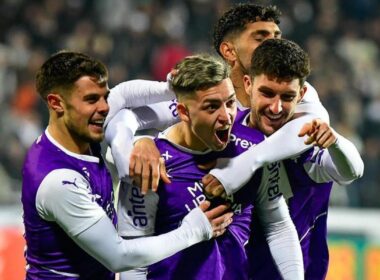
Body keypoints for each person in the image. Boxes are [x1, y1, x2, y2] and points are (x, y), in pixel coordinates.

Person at [21, 50, 234, 279]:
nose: (104, 108)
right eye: (92, 99)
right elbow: (119, 256)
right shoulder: (57, 180)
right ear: (56, 103)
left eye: (104, 96)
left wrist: (167, 89)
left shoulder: (79, 131)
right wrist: (193, 230)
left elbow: (123, 94)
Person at [116, 54, 303, 280]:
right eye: (212, 107)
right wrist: (141, 138)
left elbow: (278, 227)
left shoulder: (254, 148)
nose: (226, 116)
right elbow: (133, 263)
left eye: (231, 102)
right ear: (183, 112)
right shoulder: (149, 163)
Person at [205, 39, 364, 279]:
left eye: (287, 97)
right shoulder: (225, 133)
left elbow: (352, 171)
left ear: (301, 94)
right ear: (248, 85)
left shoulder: (307, 139)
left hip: (292, 268)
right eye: (267, 93)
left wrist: (335, 142)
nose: (276, 108)